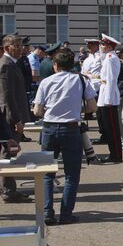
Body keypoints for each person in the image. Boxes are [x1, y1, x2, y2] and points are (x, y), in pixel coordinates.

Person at [33, 47, 96, 225]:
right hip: (71, 129)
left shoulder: (46, 82)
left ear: (55, 65)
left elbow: (37, 111)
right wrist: (76, 109)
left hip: (50, 129)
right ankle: (66, 213)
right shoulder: (81, 80)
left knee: (47, 174)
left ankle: (47, 212)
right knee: (71, 174)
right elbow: (92, 107)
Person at [0, 34, 32, 204]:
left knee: (12, 151)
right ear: (8, 48)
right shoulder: (5, 65)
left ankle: (10, 188)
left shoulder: (10, 64)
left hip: (13, 115)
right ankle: (8, 190)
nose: (20, 49)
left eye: (20, 45)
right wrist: (17, 119)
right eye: (17, 45)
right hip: (9, 116)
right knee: (9, 151)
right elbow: (7, 96)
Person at [94, 34, 123, 163]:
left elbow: (111, 80)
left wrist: (109, 99)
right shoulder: (108, 57)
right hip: (105, 93)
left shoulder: (111, 58)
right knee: (108, 128)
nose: (101, 47)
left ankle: (116, 155)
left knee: (112, 128)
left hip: (109, 96)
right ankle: (113, 153)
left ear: (109, 46)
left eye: (103, 44)